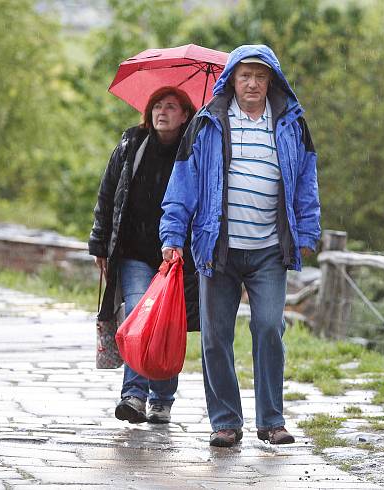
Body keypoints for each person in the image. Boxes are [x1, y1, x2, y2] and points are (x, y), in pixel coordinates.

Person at [159, 45, 321, 447]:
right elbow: (182, 184)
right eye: (245, 75)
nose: (252, 83)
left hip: (269, 247)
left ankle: (271, 421)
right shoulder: (206, 123)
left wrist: (306, 232)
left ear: (272, 81)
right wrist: (172, 235)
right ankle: (226, 422)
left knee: (269, 327)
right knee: (215, 337)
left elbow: (306, 180)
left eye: (260, 76)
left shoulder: (292, 123)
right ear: (231, 78)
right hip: (218, 249)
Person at [89, 86, 199, 425]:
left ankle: (162, 398)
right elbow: (109, 193)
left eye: (171, 106)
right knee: (139, 316)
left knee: (165, 324)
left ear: (185, 116)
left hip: (177, 257)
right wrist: (99, 242)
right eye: (157, 106)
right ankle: (134, 395)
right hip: (135, 252)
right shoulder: (132, 144)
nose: (162, 112)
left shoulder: (194, 150)